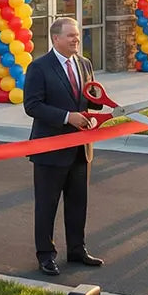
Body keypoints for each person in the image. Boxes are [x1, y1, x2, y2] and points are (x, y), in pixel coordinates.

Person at [23, 17, 105, 276]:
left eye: (77, 35)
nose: (76, 40)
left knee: (78, 202)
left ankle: (77, 249)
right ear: (55, 39)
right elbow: (32, 106)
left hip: (81, 149)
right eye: (71, 36)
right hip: (50, 151)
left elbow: (90, 100)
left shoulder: (85, 64)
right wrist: (67, 117)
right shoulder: (39, 67)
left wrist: (96, 107)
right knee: (47, 205)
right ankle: (45, 255)